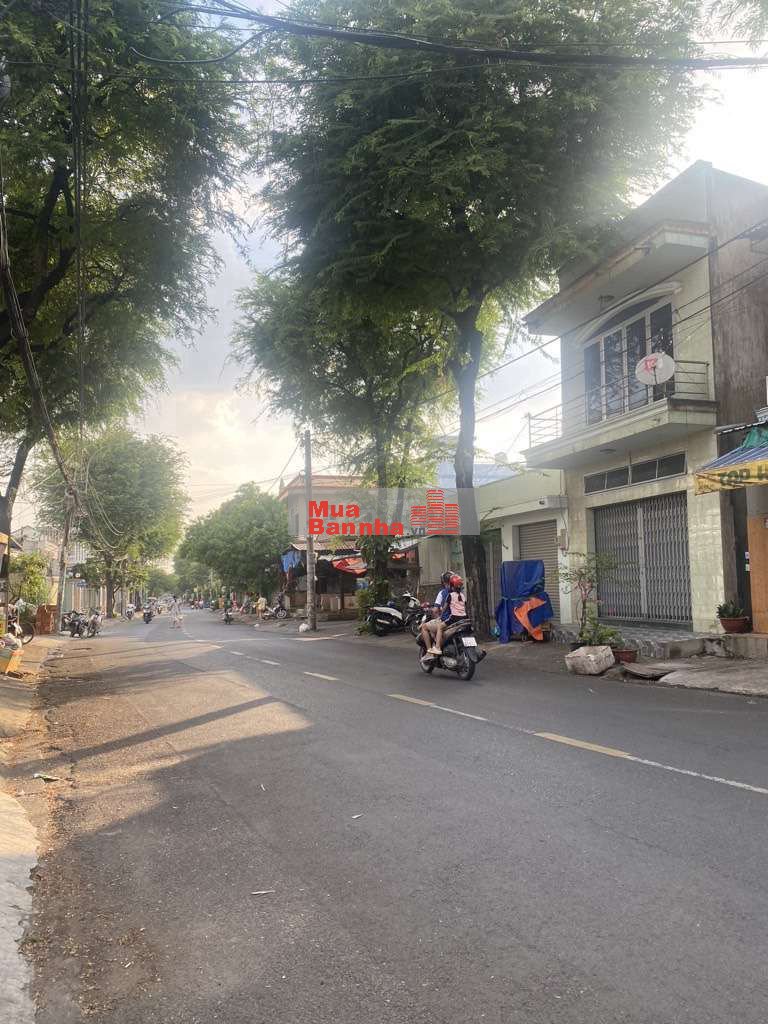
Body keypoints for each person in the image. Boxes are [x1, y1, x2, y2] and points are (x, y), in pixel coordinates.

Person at [430, 574, 467, 656]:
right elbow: (464, 606)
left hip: (454, 618)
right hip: (464, 617)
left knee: (440, 627)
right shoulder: (463, 596)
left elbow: (444, 608)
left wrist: (440, 616)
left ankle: (437, 647)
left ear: (452, 586)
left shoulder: (450, 595)